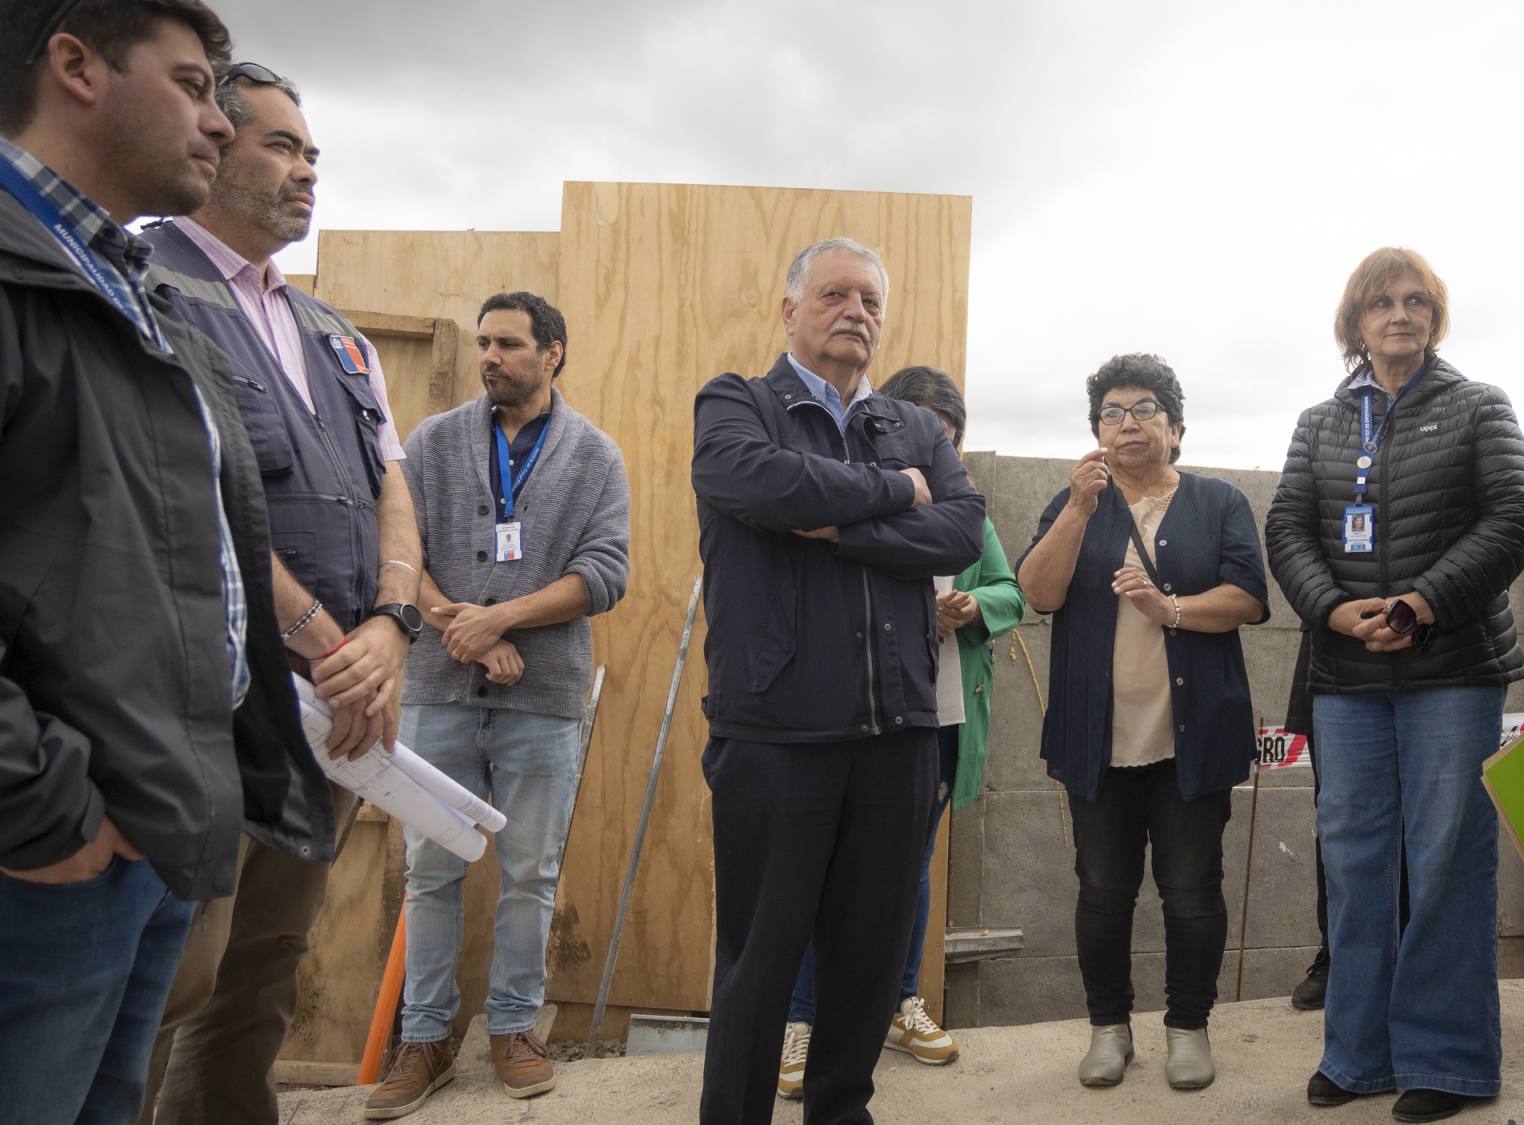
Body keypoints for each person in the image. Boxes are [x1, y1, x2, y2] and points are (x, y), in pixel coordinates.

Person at [0, 3, 332, 1122]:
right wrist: (48, 816)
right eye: (194, 86)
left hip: (142, 844)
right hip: (46, 861)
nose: (216, 120)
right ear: (76, 67)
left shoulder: (127, 292)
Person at [139, 62, 426, 1125]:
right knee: (170, 975)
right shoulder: (145, 283)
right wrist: (318, 636)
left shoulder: (333, 333)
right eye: (281, 146)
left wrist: (390, 627)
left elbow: (389, 480)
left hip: (334, 705)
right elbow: (181, 499)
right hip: (207, 706)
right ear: (211, 140)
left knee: (262, 968)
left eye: (314, 155)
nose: (307, 172)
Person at [690, 238, 985, 1125]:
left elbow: (963, 533)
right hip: (776, 736)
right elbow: (756, 482)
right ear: (790, 309)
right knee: (760, 966)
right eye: (834, 294)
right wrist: (895, 492)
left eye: (870, 299)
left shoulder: (917, 426)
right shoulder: (737, 403)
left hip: (897, 737)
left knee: (864, 968)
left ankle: (839, 1114)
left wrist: (838, 519)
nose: (855, 311)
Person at [1264, 248, 1524, 1123]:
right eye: (1383, 302)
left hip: (1451, 668)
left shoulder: (1479, 405)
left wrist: (1423, 601)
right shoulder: (1318, 423)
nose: (1401, 313)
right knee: (1353, 860)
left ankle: (1451, 1060)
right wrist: (1334, 612)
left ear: (1436, 316)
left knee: (1448, 857)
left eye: (1417, 300)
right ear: (1355, 320)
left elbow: (1516, 515)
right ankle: (1357, 1053)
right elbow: (1288, 529)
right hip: (1347, 673)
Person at [362, 290, 630, 1118]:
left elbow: (607, 572)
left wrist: (505, 617)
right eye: (484, 342)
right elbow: (400, 546)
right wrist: (461, 627)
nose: (490, 356)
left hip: (543, 699)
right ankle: (427, 1036)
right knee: (431, 869)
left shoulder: (595, 456)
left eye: (509, 344)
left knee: (530, 872)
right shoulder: (432, 442)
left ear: (552, 353)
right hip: (441, 689)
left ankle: (514, 1026)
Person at [1015, 353, 1268, 1093]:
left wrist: (1173, 610)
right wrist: (1075, 509)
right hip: (1097, 737)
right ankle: (1109, 1029)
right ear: (1096, 431)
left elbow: (1249, 596)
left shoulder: (1218, 501)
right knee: (1101, 888)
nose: (1129, 422)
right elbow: (1040, 592)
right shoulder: (1077, 503)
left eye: (1146, 408)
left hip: (1192, 733)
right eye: (1113, 412)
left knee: (1192, 888)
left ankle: (1188, 1027)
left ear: (1177, 426)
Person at [777, 365, 1026, 1097]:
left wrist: (974, 605)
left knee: (909, 864)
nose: (928, 451)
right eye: (915, 432)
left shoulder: (970, 517)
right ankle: (802, 1017)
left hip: (939, 711)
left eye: (943, 439)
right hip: (851, 709)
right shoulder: (843, 506)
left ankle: (899, 1002)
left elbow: (1011, 590)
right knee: (817, 868)